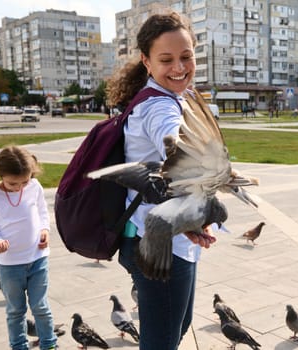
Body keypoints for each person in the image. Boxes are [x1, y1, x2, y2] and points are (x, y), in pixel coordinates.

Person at [107, 12, 215, 350]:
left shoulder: (169, 97)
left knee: (176, 328)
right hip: (155, 246)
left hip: (162, 239)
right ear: (146, 61)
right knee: (162, 343)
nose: (179, 67)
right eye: (166, 59)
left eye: (186, 56)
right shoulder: (158, 107)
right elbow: (176, 148)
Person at [0, 146, 57, 350]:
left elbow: (42, 211)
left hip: (38, 259)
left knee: (41, 307)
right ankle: (19, 346)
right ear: (0, 174)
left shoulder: (35, 186)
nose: (19, 187)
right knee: (15, 310)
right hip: (10, 266)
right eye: (13, 183)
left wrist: (45, 230)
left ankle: (49, 345)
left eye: (24, 182)